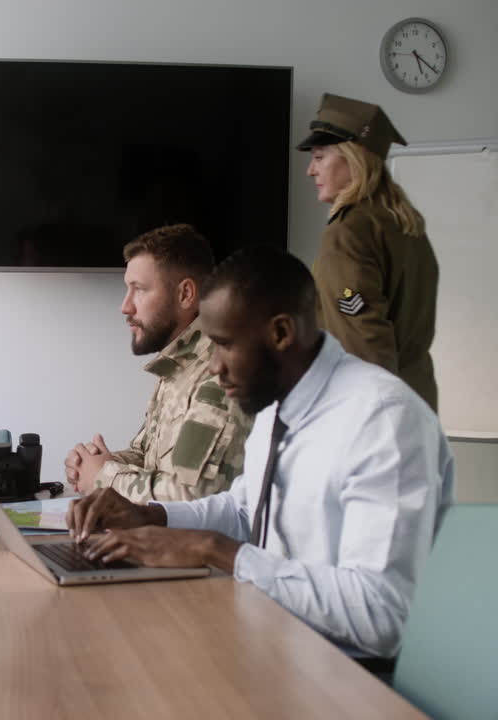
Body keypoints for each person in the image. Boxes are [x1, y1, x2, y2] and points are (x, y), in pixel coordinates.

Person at [66, 245, 454, 663]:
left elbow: (383, 617)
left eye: (223, 345)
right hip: (269, 642)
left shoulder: (381, 418)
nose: (213, 366)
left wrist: (217, 551)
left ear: (281, 333)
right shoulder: (276, 405)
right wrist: (153, 516)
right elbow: (245, 512)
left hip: (345, 674)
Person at [65, 224, 253, 503]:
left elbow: (191, 498)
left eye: (139, 290)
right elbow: (146, 459)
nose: (125, 306)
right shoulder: (178, 367)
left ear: (186, 294)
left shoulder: (220, 371)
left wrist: (105, 475)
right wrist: (93, 464)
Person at [298, 93, 440, 411]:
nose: (311, 170)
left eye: (320, 157)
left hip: (373, 412)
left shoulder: (348, 231)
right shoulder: (405, 223)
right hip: (417, 402)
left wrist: (372, 420)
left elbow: (364, 337)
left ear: (356, 156)